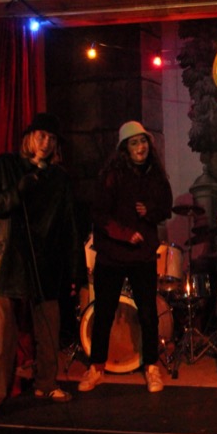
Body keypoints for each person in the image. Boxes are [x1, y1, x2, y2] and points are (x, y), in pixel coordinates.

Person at [0, 112, 85, 419]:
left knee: (49, 328)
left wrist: (75, 271)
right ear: (29, 137)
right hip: (5, 261)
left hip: (44, 261)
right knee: (2, 335)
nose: (45, 143)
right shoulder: (4, 165)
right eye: (41, 136)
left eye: (51, 138)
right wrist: (16, 192)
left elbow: (70, 225)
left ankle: (46, 384)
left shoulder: (59, 178)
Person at [78, 121, 173, 393]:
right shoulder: (111, 176)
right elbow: (99, 214)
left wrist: (150, 211)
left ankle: (151, 367)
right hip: (112, 254)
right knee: (104, 313)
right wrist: (124, 234)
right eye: (134, 143)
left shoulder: (155, 175)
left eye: (143, 141)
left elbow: (165, 207)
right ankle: (96, 368)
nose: (140, 147)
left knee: (148, 314)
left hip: (142, 255)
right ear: (124, 149)